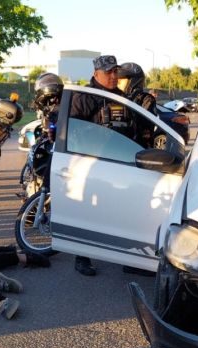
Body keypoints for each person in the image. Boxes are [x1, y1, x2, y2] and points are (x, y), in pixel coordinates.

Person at [68, 54, 131, 276]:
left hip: (121, 163)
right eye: (109, 72)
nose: (114, 76)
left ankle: (127, 257)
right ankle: (82, 256)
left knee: (120, 210)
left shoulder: (122, 97)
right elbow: (72, 129)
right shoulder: (85, 96)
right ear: (96, 74)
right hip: (93, 164)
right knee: (88, 211)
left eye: (116, 71)